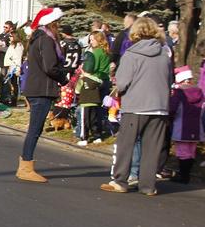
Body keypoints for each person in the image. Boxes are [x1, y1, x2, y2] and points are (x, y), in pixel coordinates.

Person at [100, 16, 173, 195]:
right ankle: (148, 186)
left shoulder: (131, 54)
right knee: (152, 147)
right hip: (160, 106)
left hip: (136, 105)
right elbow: (169, 79)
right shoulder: (165, 54)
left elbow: (123, 82)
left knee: (126, 144)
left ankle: (120, 180)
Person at [17, 7, 69, 183]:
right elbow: (50, 67)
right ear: (52, 23)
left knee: (35, 129)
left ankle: (26, 164)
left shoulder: (37, 38)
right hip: (42, 89)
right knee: (35, 129)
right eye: (58, 23)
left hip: (37, 88)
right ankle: (25, 166)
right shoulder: (46, 40)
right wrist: (63, 78)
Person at [168, 66, 203, 184]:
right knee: (191, 152)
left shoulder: (179, 93)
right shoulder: (199, 92)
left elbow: (172, 108)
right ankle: (186, 174)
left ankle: (183, 176)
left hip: (181, 125)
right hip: (196, 127)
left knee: (182, 152)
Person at [75, 31, 111, 146]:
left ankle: (84, 135)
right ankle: (97, 134)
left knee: (87, 109)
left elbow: (90, 68)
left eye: (93, 39)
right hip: (104, 80)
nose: (91, 42)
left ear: (99, 40)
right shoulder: (106, 52)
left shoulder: (95, 53)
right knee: (98, 110)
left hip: (93, 82)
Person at [3, 32, 24, 106]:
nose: (9, 37)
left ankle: (14, 100)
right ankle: (11, 99)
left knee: (14, 84)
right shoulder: (13, 45)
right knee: (11, 84)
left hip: (15, 67)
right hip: (11, 66)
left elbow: (18, 57)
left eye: (11, 36)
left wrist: (18, 68)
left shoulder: (18, 45)